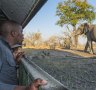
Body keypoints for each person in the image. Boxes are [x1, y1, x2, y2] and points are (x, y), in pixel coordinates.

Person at [0, 20, 47, 90]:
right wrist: (26, 88)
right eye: (21, 32)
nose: (23, 35)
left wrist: (16, 63)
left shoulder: (7, 49)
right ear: (14, 34)